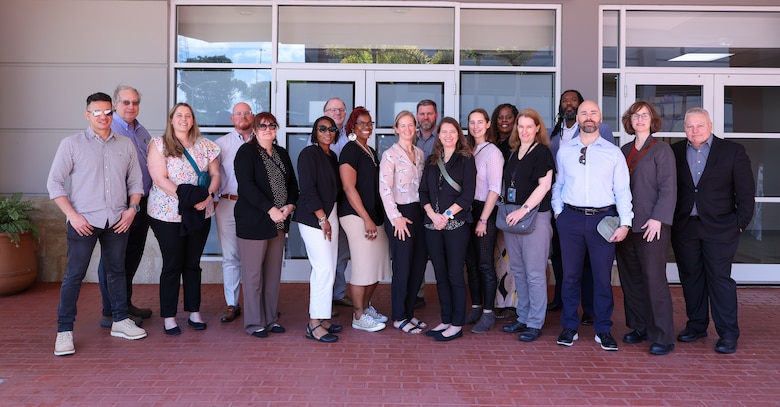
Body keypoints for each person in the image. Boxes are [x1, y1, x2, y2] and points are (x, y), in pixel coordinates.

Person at [48, 92, 147, 356]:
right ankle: (64, 331)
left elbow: (136, 182)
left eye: (107, 112)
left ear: (112, 114)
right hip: (84, 222)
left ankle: (119, 321)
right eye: (97, 112)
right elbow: (54, 184)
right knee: (74, 276)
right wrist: (73, 215)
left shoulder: (125, 144)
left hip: (117, 220)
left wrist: (132, 209)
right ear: (87, 114)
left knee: (117, 272)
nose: (103, 117)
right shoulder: (71, 144)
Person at [671, 107, 755, 354]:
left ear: (710, 125)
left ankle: (728, 333)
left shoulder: (732, 152)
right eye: (689, 126)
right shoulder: (674, 151)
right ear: (684, 128)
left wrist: (740, 223)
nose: (694, 130)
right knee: (691, 277)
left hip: (721, 227)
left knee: (719, 279)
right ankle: (696, 326)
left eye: (699, 125)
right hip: (685, 227)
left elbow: (746, 193)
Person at [551, 100, 633, 351]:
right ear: (577, 117)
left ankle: (603, 329)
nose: (588, 117)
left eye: (593, 113)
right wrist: (558, 213)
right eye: (583, 113)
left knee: (601, 278)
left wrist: (626, 222)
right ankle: (569, 327)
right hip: (571, 219)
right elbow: (559, 184)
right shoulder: (565, 150)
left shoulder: (613, 152)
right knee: (570, 276)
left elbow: (622, 190)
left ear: (600, 118)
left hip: (603, 221)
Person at [147, 103, 220, 336]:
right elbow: (159, 178)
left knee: (192, 263)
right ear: (171, 120)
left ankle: (194, 311)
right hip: (167, 215)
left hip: (201, 211)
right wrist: (186, 198)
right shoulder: (159, 145)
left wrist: (208, 197)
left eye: (188, 116)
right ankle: (169, 316)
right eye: (179, 115)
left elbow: (216, 174)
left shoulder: (207, 146)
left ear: (193, 120)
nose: (183, 119)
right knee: (172, 264)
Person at [547, 90, 615, 326]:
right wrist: (558, 210)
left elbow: (607, 169)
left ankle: (589, 309)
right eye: (565, 100)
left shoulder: (601, 132)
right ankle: (562, 304)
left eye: (573, 100)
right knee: (564, 262)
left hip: (595, 209)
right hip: (567, 209)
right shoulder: (555, 132)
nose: (569, 104)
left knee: (590, 265)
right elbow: (558, 175)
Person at [616, 102, 677, 356]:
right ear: (628, 121)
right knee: (630, 279)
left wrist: (658, 219)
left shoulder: (662, 150)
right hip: (627, 226)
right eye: (635, 116)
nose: (639, 119)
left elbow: (669, 188)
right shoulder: (623, 150)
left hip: (652, 226)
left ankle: (663, 335)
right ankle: (639, 326)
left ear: (653, 120)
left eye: (644, 115)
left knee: (654, 280)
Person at [234, 112, 298, 338]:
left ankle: (270, 319)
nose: (268, 129)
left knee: (272, 275)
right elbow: (247, 186)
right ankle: (254, 323)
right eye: (262, 125)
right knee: (253, 276)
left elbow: (292, 183)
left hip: (279, 223)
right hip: (254, 222)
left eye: (272, 125)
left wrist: (289, 206)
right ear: (254, 128)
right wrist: (270, 209)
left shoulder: (281, 152)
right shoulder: (246, 152)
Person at [96, 85, 153, 328]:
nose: (131, 106)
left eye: (135, 102)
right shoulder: (109, 130)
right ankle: (111, 311)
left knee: (131, 256)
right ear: (115, 105)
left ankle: (124, 303)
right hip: (120, 206)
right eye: (126, 102)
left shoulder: (140, 130)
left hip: (142, 203)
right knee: (113, 259)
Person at [419, 117, 477, 342]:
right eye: (444, 132)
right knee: (440, 274)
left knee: (454, 273)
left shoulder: (466, 159)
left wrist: (445, 215)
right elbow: (423, 192)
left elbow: (467, 194)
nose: (448, 135)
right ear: (439, 135)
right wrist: (433, 215)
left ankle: (457, 323)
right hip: (432, 224)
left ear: (458, 134)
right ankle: (445, 319)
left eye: (452, 132)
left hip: (456, 224)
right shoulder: (432, 160)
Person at [500, 109, 555, 343]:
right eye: (520, 127)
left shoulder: (542, 152)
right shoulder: (514, 153)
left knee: (534, 273)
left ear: (537, 128)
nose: (524, 131)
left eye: (528, 127)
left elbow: (544, 186)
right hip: (512, 218)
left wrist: (524, 209)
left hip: (534, 218)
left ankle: (535, 322)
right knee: (519, 271)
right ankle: (522, 316)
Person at [339, 107, 392, 332]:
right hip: (356, 215)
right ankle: (358, 315)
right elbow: (349, 188)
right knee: (362, 266)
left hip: (373, 215)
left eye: (369, 123)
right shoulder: (350, 150)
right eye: (361, 123)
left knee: (377, 265)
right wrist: (367, 219)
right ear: (352, 127)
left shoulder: (370, 150)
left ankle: (366, 306)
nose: (366, 127)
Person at [294, 116, 345, 342]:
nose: (327, 132)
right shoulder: (308, 154)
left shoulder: (332, 156)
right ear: (315, 132)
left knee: (329, 268)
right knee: (323, 268)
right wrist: (322, 218)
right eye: (322, 128)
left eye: (331, 129)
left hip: (330, 215)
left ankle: (323, 318)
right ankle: (314, 324)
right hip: (314, 218)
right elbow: (307, 188)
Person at [379, 110, 428, 334]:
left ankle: (409, 313)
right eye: (403, 125)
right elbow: (385, 189)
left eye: (412, 125)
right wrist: (396, 218)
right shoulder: (390, 155)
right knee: (403, 265)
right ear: (395, 129)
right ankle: (399, 316)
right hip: (399, 214)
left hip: (419, 212)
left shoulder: (420, 154)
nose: (408, 129)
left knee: (418, 264)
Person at [214, 102, 255, 323]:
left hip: (257, 206)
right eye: (238, 114)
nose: (242, 117)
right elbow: (213, 176)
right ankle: (232, 303)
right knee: (230, 256)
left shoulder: (263, 141)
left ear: (253, 116)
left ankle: (256, 304)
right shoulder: (220, 145)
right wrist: (215, 201)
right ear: (232, 119)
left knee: (255, 256)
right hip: (229, 204)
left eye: (246, 113)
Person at [464, 108, 504, 333]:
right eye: (472, 122)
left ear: (488, 124)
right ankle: (477, 306)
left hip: (484, 211)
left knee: (485, 263)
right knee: (471, 263)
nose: (476, 126)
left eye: (480, 122)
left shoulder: (492, 152)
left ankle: (489, 313)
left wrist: (483, 219)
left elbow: (495, 188)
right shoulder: (470, 149)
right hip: (468, 210)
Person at [322, 97, 354, 313]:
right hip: (328, 203)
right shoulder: (319, 136)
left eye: (341, 109)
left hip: (348, 202)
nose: (337, 113)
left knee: (342, 252)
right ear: (325, 112)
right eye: (332, 110)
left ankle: (337, 294)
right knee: (326, 253)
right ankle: (324, 300)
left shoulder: (350, 136)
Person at [414, 99, 440, 308]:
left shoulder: (443, 138)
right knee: (417, 250)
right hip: (413, 201)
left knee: (440, 251)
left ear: (436, 115)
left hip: (437, 202)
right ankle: (417, 293)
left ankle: (445, 295)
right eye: (422, 114)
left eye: (429, 113)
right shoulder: (409, 137)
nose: (425, 117)